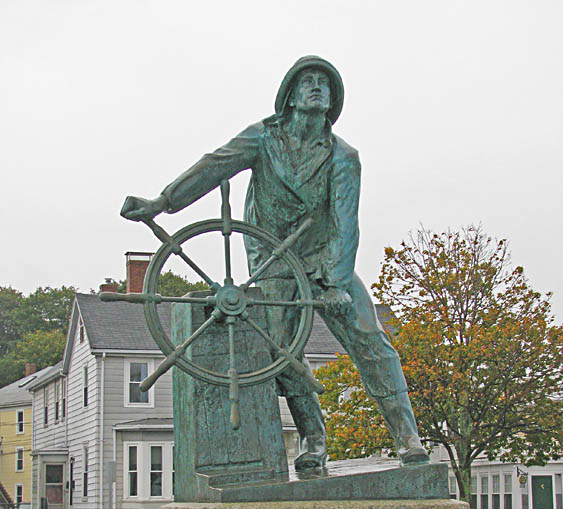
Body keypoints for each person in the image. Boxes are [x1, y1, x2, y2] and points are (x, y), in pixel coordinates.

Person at [122, 56, 429, 469]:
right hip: (275, 259)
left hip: (325, 258)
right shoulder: (263, 138)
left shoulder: (343, 157)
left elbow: (345, 222)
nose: (317, 87)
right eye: (308, 81)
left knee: (370, 339)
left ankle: (407, 436)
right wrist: (164, 202)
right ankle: (313, 441)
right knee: (283, 351)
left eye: (325, 82)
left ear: (333, 99)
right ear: (290, 95)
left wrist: (336, 282)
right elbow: (214, 165)